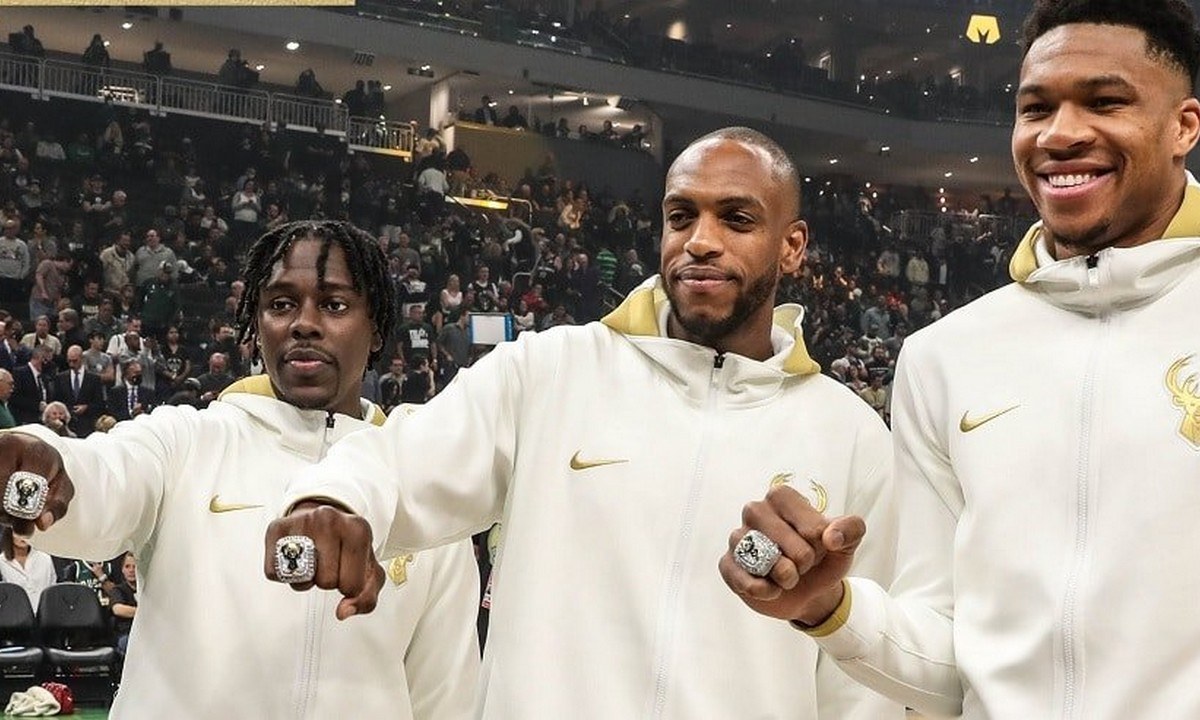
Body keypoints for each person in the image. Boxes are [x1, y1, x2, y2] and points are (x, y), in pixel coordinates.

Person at [265, 129, 902, 718]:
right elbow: (394, 461)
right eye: (681, 216)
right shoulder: (549, 372)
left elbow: (859, 684)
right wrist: (330, 500)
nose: (700, 240)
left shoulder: (851, 436)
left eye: (736, 218)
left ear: (792, 246)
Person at [715, 2, 1200, 718]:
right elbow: (950, 660)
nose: (1060, 133)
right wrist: (829, 608)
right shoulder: (945, 357)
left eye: (1105, 102)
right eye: (1036, 108)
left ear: (1183, 126)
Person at [0, 221, 480, 719]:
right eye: (281, 304)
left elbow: (444, 695)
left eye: (334, 305)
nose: (304, 324)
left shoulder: (421, 488)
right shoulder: (187, 441)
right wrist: (40, 457)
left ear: (376, 326)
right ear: (256, 323)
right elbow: (102, 477)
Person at [0, 526, 55, 611]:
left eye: (27, 532)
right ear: (9, 533)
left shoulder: (45, 558)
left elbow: (52, 589)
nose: (23, 536)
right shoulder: (1, 561)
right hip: (13, 614)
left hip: (45, 613)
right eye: (19, 532)